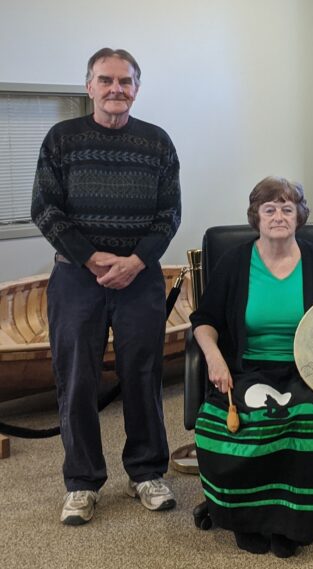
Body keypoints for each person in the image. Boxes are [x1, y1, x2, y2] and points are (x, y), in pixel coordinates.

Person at [31, 48, 181, 525]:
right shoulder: (61, 139)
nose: (116, 88)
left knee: (143, 375)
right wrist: (94, 259)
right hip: (77, 277)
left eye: (125, 80)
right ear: (89, 85)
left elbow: (168, 215)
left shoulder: (157, 143)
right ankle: (82, 482)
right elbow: (45, 209)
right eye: (106, 80)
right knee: (76, 380)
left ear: (137, 87)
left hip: (140, 279)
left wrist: (136, 261)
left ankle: (146, 473)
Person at [191, 177, 313, 558]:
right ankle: (247, 520)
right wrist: (214, 356)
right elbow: (205, 319)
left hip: (306, 369)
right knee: (248, 419)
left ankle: (291, 523)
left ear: (299, 216)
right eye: (270, 209)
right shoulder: (234, 262)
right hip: (247, 368)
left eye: (287, 208)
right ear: (256, 216)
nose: (278, 216)